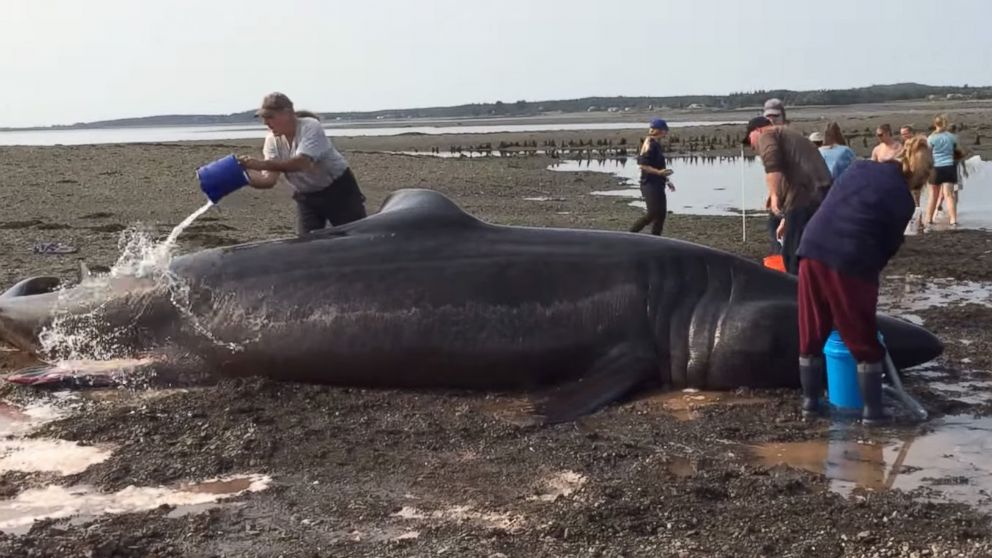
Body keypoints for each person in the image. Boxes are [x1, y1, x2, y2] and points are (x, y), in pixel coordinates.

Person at [795, 136, 934, 424]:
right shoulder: (902, 199)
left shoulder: (859, 168)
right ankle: (872, 413)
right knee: (862, 339)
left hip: (812, 247)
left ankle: (810, 404)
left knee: (812, 331)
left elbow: (835, 202)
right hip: (850, 260)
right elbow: (886, 247)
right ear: (919, 177)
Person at [238, 92, 367, 235]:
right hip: (306, 197)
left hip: (339, 191)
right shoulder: (272, 140)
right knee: (306, 244)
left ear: (287, 113)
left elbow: (301, 163)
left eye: (270, 117)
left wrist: (261, 165)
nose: (266, 123)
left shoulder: (310, 126)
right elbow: (268, 180)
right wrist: (241, 175)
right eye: (264, 118)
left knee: (355, 236)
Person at [745, 116, 832, 275]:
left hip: (808, 194)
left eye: (749, 138)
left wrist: (774, 196)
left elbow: (772, 163)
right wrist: (785, 218)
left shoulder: (767, 134)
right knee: (806, 245)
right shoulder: (789, 136)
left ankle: (795, 290)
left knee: (792, 253)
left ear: (757, 130)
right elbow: (793, 176)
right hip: (820, 192)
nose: (751, 145)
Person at [630, 118, 675, 236]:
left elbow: (659, 165)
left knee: (661, 215)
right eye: (665, 131)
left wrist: (667, 180)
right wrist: (659, 173)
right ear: (660, 130)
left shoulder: (656, 144)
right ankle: (630, 235)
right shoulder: (649, 143)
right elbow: (643, 165)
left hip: (658, 183)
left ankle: (656, 239)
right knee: (653, 213)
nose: (666, 133)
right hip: (649, 183)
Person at [923, 115, 960, 230]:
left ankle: (929, 219)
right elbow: (956, 150)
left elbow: (928, 154)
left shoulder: (931, 138)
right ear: (946, 124)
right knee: (949, 195)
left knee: (933, 195)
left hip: (936, 168)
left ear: (935, 124)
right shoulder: (951, 137)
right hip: (949, 166)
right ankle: (953, 220)